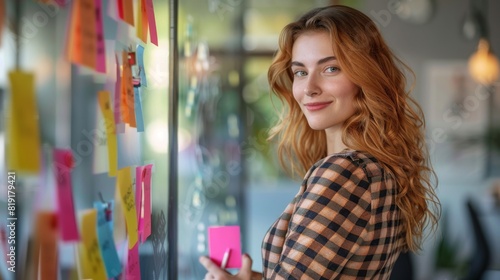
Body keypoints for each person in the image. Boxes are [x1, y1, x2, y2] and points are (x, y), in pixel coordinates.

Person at [200, 4, 440, 279]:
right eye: (300, 72)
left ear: (366, 76)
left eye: (331, 69)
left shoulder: (346, 173)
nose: (309, 87)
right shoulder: (372, 169)